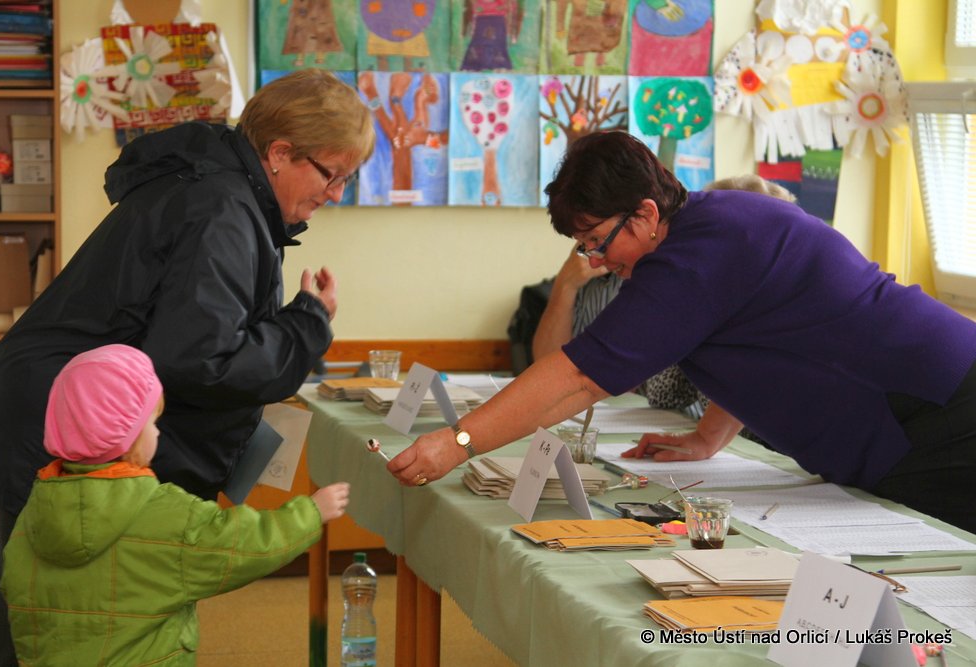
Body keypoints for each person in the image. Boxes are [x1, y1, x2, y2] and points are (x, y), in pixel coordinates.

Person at [0, 68, 375, 665]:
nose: (336, 193)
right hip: (63, 415)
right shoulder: (223, 210)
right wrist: (308, 323)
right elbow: (201, 361)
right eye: (332, 174)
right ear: (279, 153)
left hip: (56, 399)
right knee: (45, 613)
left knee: (58, 608)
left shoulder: (223, 192)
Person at [388, 131, 976, 534]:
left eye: (597, 240)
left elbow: (578, 378)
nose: (596, 260)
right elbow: (759, 340)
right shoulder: (708, 229)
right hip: (915, 407)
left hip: (938, 407)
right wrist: (708, 437)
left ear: (646, 214)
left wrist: (457, 443)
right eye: (584, 247)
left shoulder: (695, 256)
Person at [0, 344, 350, 665]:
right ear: (127, 436)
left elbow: (14, 588)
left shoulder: (34, 513)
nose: (158, 432)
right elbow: (240, 543)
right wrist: (310, 513)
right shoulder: (166, 513)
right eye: (151, 423)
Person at [532, 174, 797, 426]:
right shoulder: (612, 276)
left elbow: (657, 390)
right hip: (668, 428)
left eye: (596, 239)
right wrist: (565, 286)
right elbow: (550, 365)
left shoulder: (694, 292)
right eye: (588, 243)